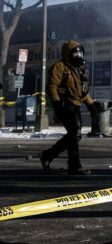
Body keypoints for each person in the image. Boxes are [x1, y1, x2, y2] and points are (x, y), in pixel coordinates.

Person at [40, 40, 95, 175]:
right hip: (65, 105)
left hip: (75, 105)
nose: (78, 55)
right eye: (75, 52)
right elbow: (52, 86)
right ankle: (74, 166)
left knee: (74, 135)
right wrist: (57, 103)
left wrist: (91, 105)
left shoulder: (79, 70)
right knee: (75, 133)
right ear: (68, 53)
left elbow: (81, 92)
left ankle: (48, 155)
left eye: (80, 52)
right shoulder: (60, 67)